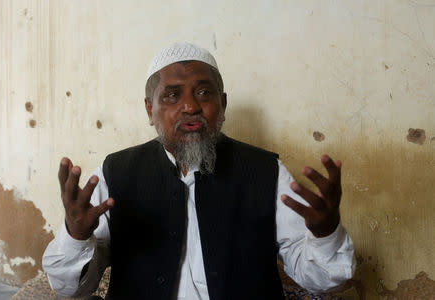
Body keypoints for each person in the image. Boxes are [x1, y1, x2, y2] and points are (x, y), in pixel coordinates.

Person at [42, 42, 356, 300]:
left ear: (223, 103)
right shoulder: (116, 173)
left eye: (204, 93)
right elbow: (71, 288)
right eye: (172, 95)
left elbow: (321, 281)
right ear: (150, 110)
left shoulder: (265, 171)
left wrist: (325, 234)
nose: (190, 106)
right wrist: (75, 236)